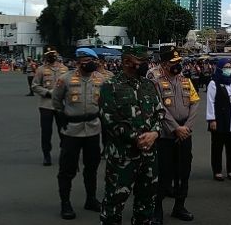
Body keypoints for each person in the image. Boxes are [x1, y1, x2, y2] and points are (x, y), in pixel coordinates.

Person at [99, 45, 164, 225]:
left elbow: (160, 112)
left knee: (146, 205)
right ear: (127, 61)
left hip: (149, 157)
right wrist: (137, 138)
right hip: (123, 158)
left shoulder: (148, 85)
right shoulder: (110, 86)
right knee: (113, 206)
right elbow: (110, 120)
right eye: (141, 61)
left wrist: (155, 133)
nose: (146, 64)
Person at [52, 48, 104, 219]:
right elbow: (56, 101)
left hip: (93, 128)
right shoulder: (65, 79)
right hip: (72, 131)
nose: (92, 63)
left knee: (91, 167)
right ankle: (65, 203)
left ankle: (91, 199)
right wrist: (64, 117)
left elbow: (103, 103)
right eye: (88, 60)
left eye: (94, 61)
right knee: (67, 169)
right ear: (79, 61)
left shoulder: (100, 80)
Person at [150, 46, 201, 224]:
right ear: (164, 65)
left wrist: (186, 127)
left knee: (183, 172)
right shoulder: (156, 82)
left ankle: (179, 206)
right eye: (173, 63)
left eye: (178, 62)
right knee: (164, 174)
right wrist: (175, 128)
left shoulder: (186, 81)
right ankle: (157, 209)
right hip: (165, 135)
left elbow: (195, 104)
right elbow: (159, 108)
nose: (177, 65)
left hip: (185, 134)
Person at [207, 58, 231, 182]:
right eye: (226, 67)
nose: (228, 69)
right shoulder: (214, 83)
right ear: (219, 68)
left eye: (229, 67)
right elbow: (210, 102)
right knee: (217, 146)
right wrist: (212, 119)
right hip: (219, 118)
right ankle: (217, 171)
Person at [32, 46, 69, 166]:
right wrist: (47, 92)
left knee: (64, 130)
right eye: (49, 54)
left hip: (61, 105)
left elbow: (69, 85)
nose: (52, 56)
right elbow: (35, 86)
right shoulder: (41, 70)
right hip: (46, 104)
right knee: (46, 132)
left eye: (53, 54)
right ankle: (46, 155)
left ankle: (65, 153)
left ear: (57, 55)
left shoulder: (64, 69)